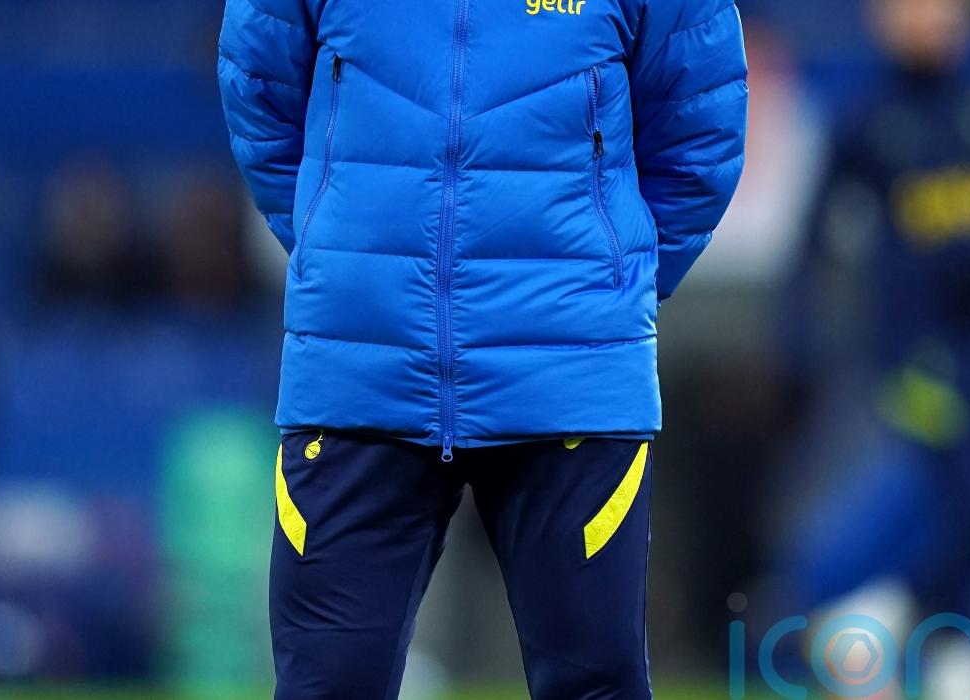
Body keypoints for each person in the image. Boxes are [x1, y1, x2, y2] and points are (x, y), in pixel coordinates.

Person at [217, 0, 747, 697]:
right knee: (326, 685)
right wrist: (343, 253)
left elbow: (701, 130)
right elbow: (257, 92)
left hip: (566, 380)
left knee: (596, 686)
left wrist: (608, 283)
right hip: (362, 377)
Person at [776, 0, 970, 654]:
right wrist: (799, 331)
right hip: (911, 352)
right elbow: (816, 234)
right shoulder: (868, 114)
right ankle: (875, 620)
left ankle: (910, 615)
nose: (927, 18)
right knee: (952, 486)